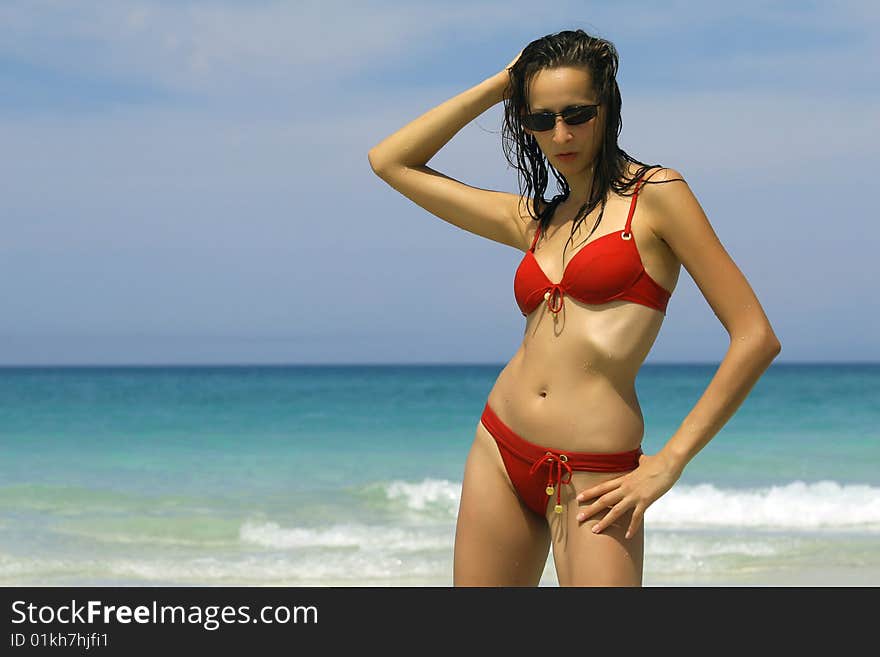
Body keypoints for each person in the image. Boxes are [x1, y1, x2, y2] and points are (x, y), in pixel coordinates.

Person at [368, 28, 781, 587]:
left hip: (598, 477)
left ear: (607, 109)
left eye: (576, 113)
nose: (559, 133)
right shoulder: (536, 220)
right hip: (500, 447)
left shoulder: (657, 195)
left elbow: (755, 336)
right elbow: (391, 161)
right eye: (540, 119)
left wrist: (668, 463)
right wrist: (502, 85)